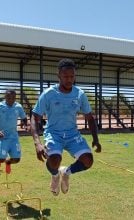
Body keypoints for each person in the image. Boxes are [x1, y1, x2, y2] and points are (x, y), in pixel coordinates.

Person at [31, 58, 102, 196]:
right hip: (54, 134)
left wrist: (96, 139)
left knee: (88, 161)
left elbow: (90, 117)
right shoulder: (49, 94)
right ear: (59, 76)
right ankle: (56, 176)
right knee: (54, 160)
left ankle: (66, 172)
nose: (69, 79)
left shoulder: (79, 94)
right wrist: (37, 143)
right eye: (66, 76)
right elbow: (34, 117)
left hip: (72, 135)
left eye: (72, 76)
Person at [0, 90, 27, 174]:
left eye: (14, 98)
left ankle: (8, 162)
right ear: (5, 97)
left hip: (14, 137)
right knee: (1, 159)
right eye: (9, 98)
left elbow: (24, 118)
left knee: (17, 159)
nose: (12, 100)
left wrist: (26, 125)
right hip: (2, 137)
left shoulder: (18, 107)